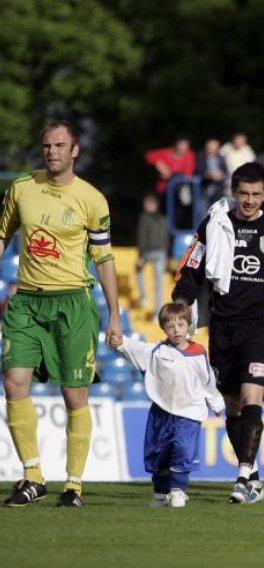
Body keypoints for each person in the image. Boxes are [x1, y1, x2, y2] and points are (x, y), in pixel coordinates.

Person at [172, 162, 264, 504]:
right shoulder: (216, 224)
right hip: (223, 328)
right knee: (233, 406)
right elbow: (191, 268)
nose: (249, 200)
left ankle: (241, 476)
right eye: (244, 194)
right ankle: (253, 477)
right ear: (234, 193)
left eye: (256, 194)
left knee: (253, 399)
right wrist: (182, 302)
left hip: (260, 327)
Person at [1, 121, 122, 508]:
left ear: (74, 151)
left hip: (72, 304)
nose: (51, 151)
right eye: (46, 145)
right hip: (27, 302)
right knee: (14, 382)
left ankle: (73, 484)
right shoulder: (22, 188)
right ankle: (32, 475)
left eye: (59, 145)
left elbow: (103, 260)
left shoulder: (92, 200)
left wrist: (115, 316)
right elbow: (2, 235)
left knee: (74, 395)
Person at [110, 303, 224, 507]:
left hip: (189, 412)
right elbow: (135, 349)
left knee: (182, 449)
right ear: (163, 328)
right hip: (161, 413)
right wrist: (120, 342)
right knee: (159, 454)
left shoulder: (198, 352)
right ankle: (161, 493)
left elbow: (207, 380)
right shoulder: (156, 351)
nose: (176, 330)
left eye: (181, 325)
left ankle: (178, 490)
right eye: (171, 326)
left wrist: (215, 401)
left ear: (189, 326)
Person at [135, 193, 169, 318]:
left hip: (149, 252)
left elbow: (142, 237)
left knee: (139, 271)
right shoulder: (163, 217)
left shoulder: (144, 218)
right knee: (159, 283)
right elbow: (166, 237)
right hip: (161, 252)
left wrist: (141, 255)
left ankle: (144, 297)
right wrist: (167, 255)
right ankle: (157, 312)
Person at [195, 138, 228, 209]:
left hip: (218, 189)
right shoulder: (200, 157)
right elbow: (198, 170)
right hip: (203, 187)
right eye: (210, 148)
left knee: (216, 211)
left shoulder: (221, 158)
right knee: (203, 212)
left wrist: (221, 174)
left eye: (215, 148)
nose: (212, 150)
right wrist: (209, 175)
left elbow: (225, 170)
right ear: (206, 147)